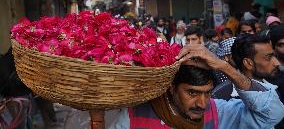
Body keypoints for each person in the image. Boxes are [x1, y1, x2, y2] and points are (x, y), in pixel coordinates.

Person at [106, 44, 284, 129]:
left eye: (207, 93)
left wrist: (225, 67)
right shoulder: (133, 117)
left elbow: (273, 114)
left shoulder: (218, 112)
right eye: (192, 92)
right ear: (172, 88)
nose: (202, 103)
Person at [213, 34, 281, 101]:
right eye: (268, 58)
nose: (277, 63)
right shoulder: (220, 96)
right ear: (248, 63)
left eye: (275, 56)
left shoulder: (275, 86)